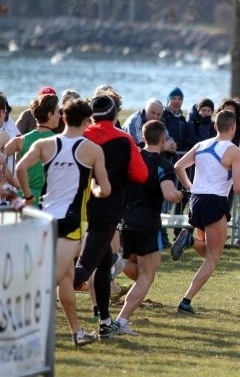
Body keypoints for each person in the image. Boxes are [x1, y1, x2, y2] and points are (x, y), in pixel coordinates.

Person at [15, 98, 111, 346]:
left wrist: (27, 196)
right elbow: (106, 189)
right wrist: (93, 188)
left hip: (45, 219)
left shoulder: (45, 144)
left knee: (66, 277)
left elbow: (20, 169)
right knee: (51, 280)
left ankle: (77, 333)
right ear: (88, 121)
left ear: (64, 118)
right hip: (71, 222)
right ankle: (19, 328)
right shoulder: (92, 150)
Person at [73, 94, 148, 339]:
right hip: (106, 210)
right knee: (83, 269)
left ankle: (105, 322)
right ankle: (30, 290)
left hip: (77, 206)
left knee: (104, 262)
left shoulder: (80, 136)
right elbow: (141, 175)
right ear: (115, 114)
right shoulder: (124, 139)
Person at [171, 109, 240, 314]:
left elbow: (179, 166)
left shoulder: (201, 145)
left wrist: (191, 188)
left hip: (196, 201)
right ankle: (186, 302)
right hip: (215, 201)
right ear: (233, 128)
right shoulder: (234, 152)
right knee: (213, 258)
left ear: (215, 126)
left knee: (208, 251)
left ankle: (191, 242)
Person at [116, 120, 188, 335]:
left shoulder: (132, 158)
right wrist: (182, 195)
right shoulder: (162, 165)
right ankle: (121, 321)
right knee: (147, 276)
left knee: (133, 267)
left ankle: (116, 263)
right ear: (163, 139)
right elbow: (169, 194)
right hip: (147, 224)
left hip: (125, 222)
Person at [3, 93, 61, 206]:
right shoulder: (60, 141)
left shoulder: (20, 140)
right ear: (50, 115)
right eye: (58, 111)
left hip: (25, 199)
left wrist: (10, 180)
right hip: (48, 202)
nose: (60, 115)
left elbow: (1, 158)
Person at [161, 87, 189, 153]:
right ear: (168, 100)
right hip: (164, 154)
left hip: (179, 155)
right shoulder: (162, 115)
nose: (176, 101)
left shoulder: (182, 119)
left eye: (180, 99)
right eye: (174, 98)